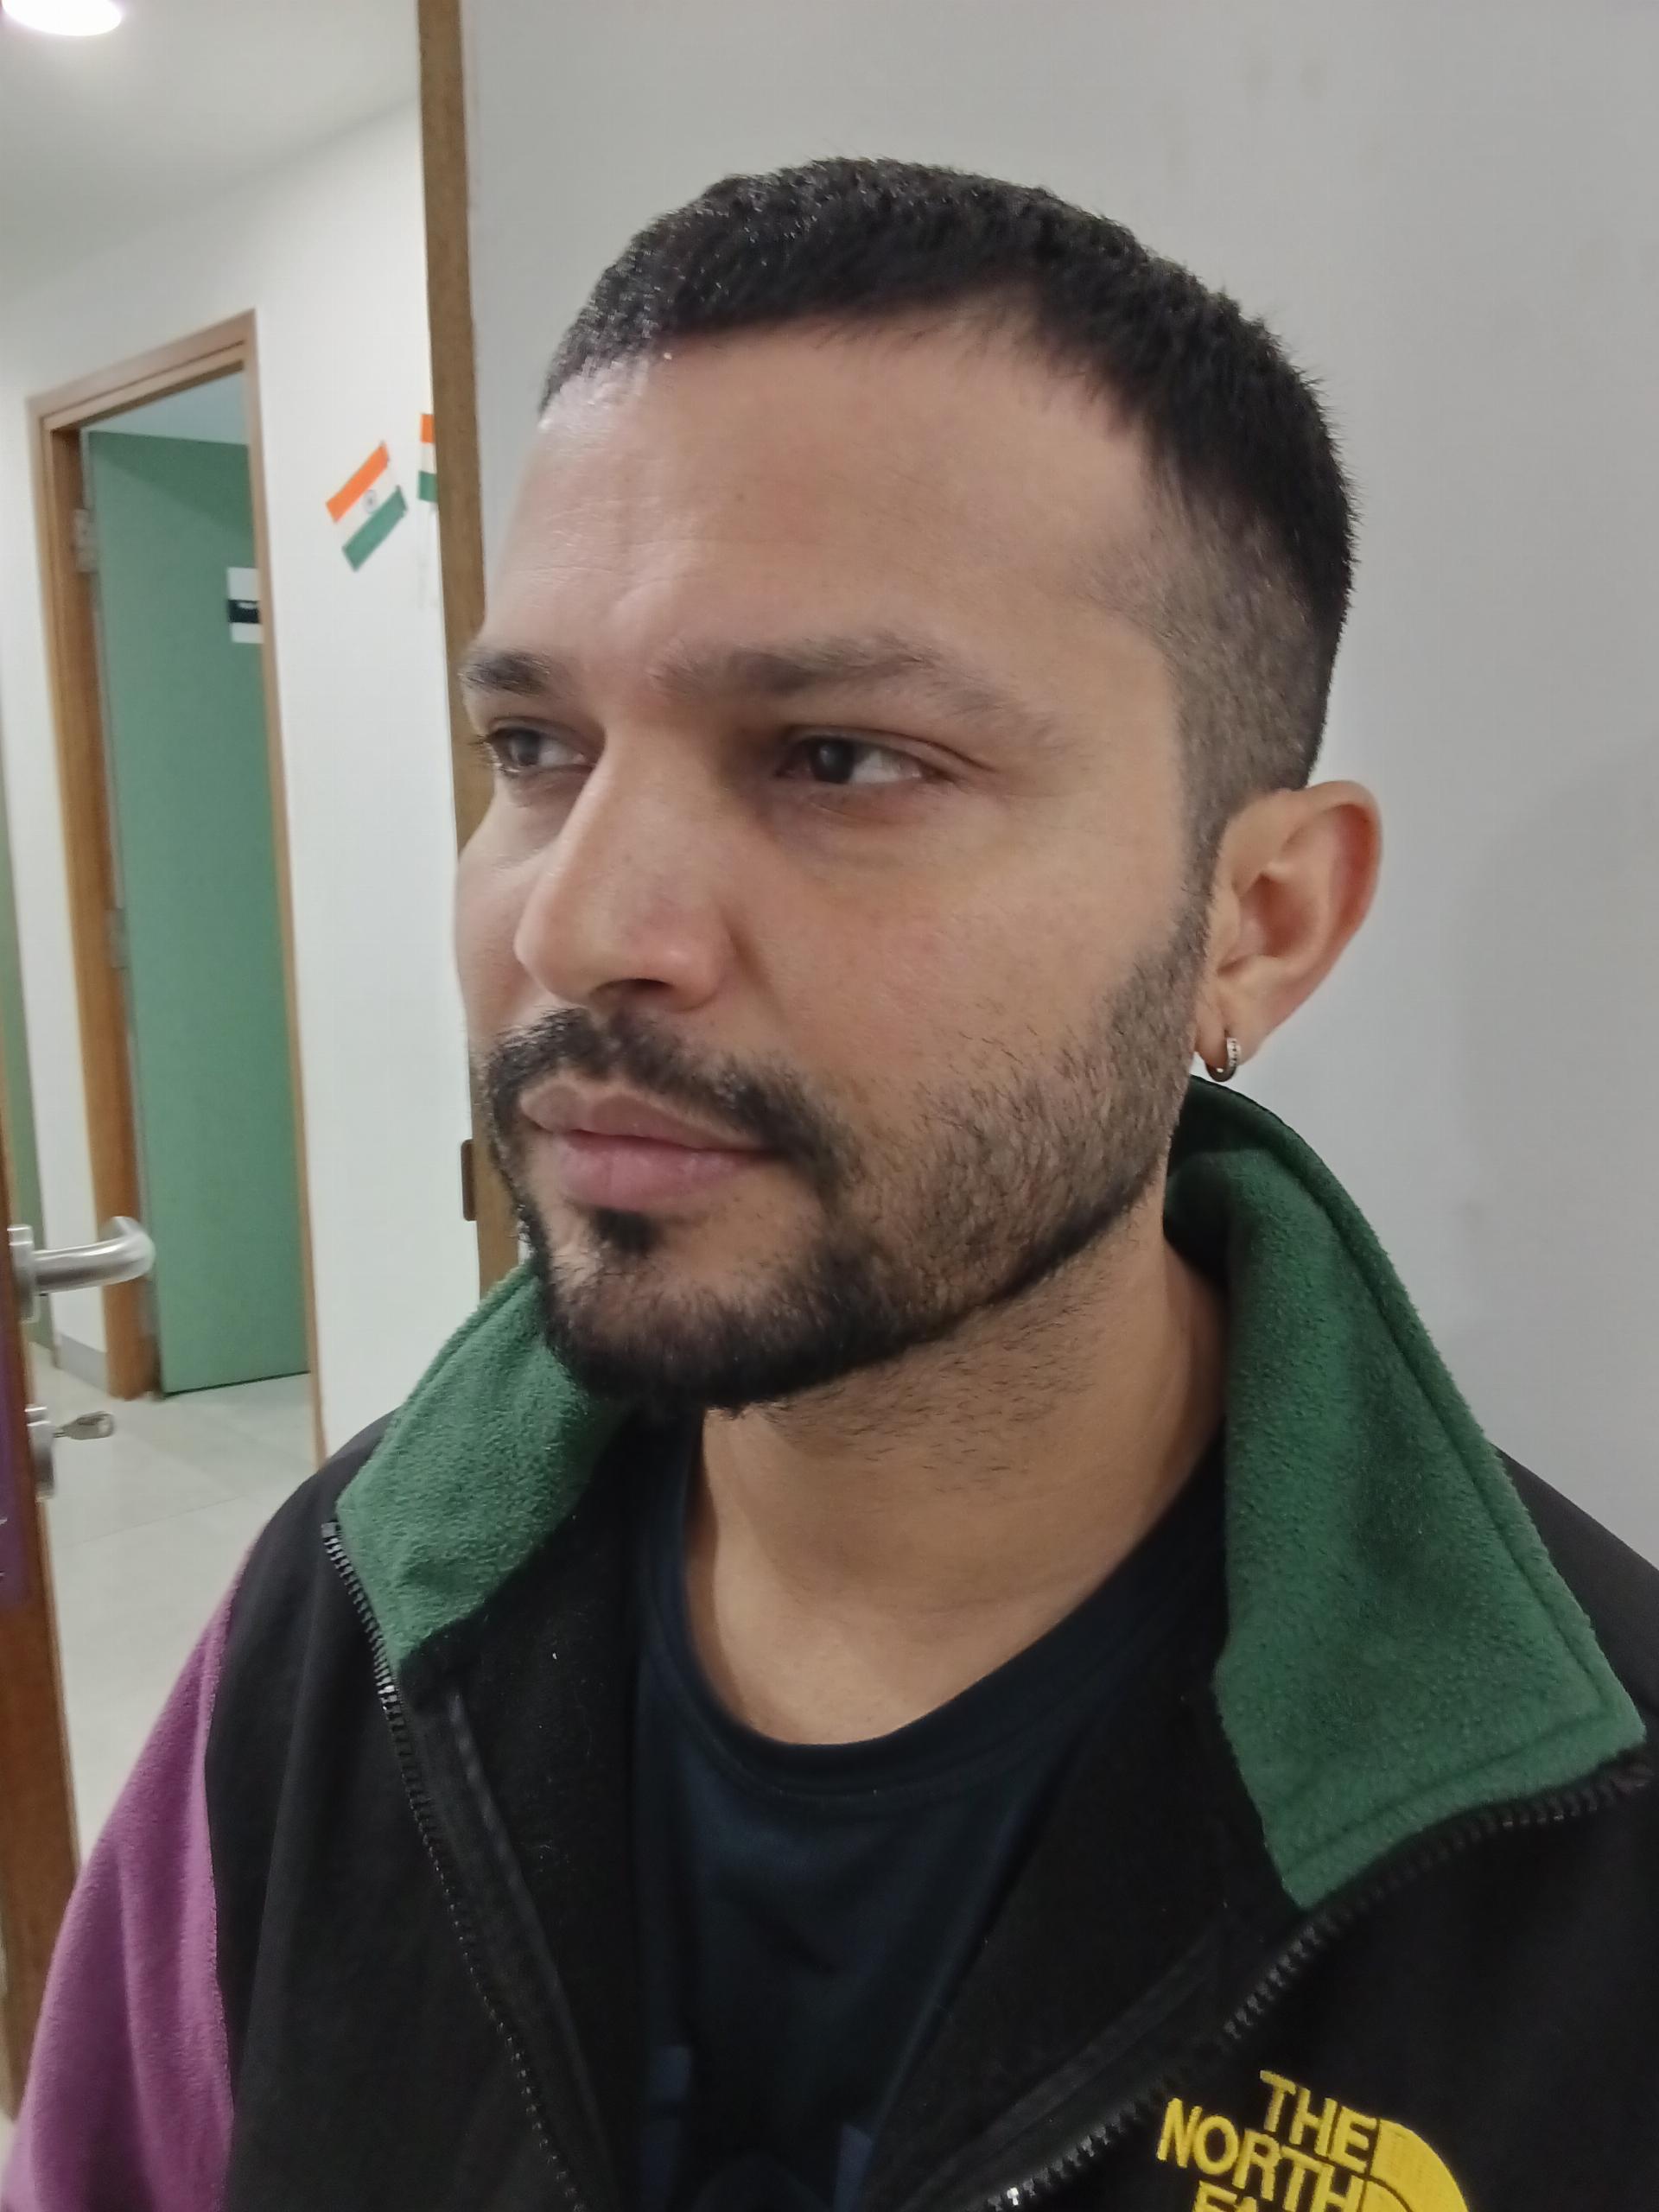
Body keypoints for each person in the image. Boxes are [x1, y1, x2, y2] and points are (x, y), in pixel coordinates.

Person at [6, 157, 1656, 2212]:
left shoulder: (1582, 1846)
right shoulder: (339, 1626)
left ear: (1256, 921)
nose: (577, 920)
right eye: (534, 747)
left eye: (840, 757)